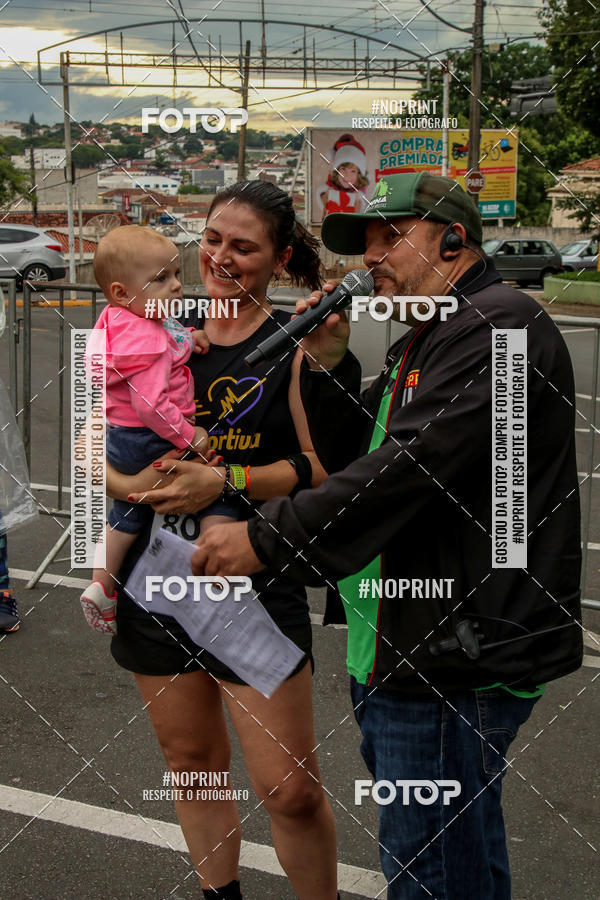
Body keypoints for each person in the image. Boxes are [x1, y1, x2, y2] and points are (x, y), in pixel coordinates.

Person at [191, 173, 583, 899]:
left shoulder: (498, 327)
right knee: (457, 854)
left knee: (427, 867)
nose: (373, 258)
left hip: (452, 655)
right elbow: (353, 455)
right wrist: (334, 359)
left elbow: (408, 469)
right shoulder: (428, 337)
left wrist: (265, 541)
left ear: (455, 240)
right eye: (366, 244)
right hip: (407, 641)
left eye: (392, 238)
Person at [106, 182, 338, 900]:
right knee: (191, 761)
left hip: (255, 583)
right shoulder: (154, 323)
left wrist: (225, 479)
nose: (220, 257)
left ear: (279, 258)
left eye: (244, 246)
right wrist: (123, 489)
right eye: (212, 239)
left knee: (289, 790)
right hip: (155, 577)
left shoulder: (299, 343)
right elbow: (95, 441)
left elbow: (322, 470)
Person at [79, 225, 228, 635]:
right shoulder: (149, 344)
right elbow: (151, 405)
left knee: (123, 514)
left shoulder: (120, 320)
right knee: (200, 494)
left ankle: (99, 583)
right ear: (122, 292)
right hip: (152, 435)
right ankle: (207, 586)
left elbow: (167, 332)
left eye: (177, 274)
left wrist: (190, 337)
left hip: (120, 434)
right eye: (162, 279)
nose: (177, 286)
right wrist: (187, 436)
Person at [315, 133, 370, 219]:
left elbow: (359, 215)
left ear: (359, 175)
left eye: (353, 171)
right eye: (343, 169)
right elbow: (324, 210)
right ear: (336, 171)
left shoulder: (358, 196)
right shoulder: (327, 190)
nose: (347, 175)